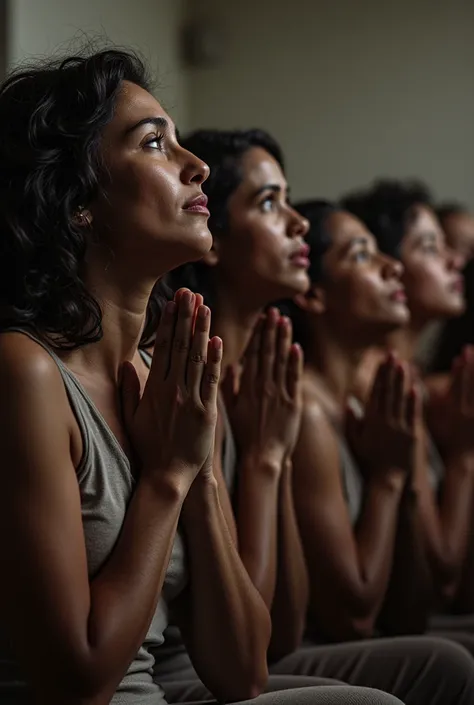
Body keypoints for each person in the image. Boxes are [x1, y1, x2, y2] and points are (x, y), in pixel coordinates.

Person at [0, 49, 399, 705]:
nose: (198, 167)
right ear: (78, 201)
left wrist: (203, 468)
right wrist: (166, 476)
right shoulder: (27, 373)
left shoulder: (173, 378)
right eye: (155, 143)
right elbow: (76, 683)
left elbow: (244, 671)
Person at [163, 130, 474, 705]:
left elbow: (298, 621)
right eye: (267, 203)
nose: (297, 222)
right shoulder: (229, 388)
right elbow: (350, 617)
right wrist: (395, 476)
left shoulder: (272, 395)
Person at [343, 180, 474, 638]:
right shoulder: (386, 385)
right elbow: (443, 574)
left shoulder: (415, 378)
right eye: (429, 247)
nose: (455, 261)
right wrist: (462, 456)